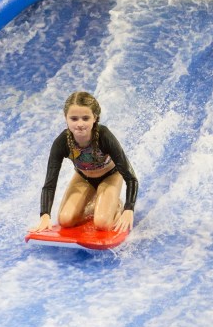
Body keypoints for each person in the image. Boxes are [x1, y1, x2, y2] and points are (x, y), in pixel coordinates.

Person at [30, 91, 138, 233]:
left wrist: (128, 209)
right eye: (74, 119)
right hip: (83, 178)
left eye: (85, 118)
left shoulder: (104, 136)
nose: (80, 124)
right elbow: (50, 183)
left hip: (110, 176)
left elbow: (131, 178)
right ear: (66, 118)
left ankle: (115, 205)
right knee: (65, 220)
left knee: (102, 223)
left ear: (95, 118)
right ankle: (96, 202)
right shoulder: (62, 142)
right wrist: (45, 215)